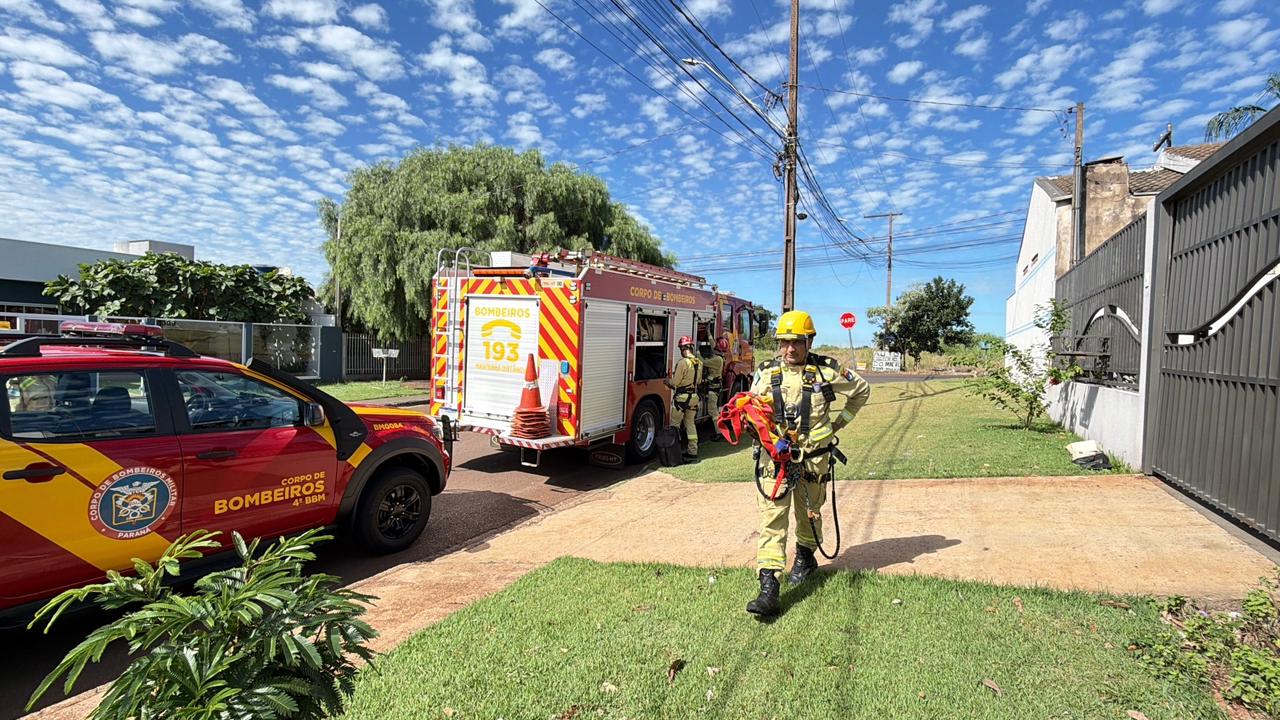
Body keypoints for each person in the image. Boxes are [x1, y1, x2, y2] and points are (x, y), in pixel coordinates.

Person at [746, 310, 870, 617]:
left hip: (814, 459)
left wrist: (840, 423)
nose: (790, 349)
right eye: (784, 342)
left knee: (810, 513)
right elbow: (751, 408)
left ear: (809, 340)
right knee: (772, 518)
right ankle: (769, 587)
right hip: (775, 460)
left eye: (797, 342)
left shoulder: (828, 371)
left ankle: (805, 556)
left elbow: (861, 391)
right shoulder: (765, 373)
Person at [665, 336, 702, 462]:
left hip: (681, 399)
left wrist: (667, 381)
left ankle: (673, 453)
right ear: (691, 347)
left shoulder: (682, 363)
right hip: (694, 398)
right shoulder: (699, 363)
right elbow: (699, 381)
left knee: (674, 425)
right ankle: (693, 451)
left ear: (682, 348)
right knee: (690, 424)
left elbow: (675, 382)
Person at [699, 336, 727, 435]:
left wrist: (697, 351)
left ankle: (719, 432)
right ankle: (720, 431)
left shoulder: (716, 360)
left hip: (713, 389)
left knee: (713, 411)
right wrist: (708, 334)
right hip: (714, 387)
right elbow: (713, 346)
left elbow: (703, 362)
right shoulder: (719, 357)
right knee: (714, 410)